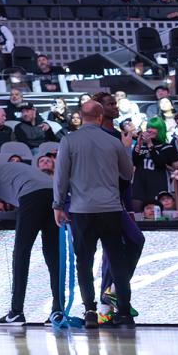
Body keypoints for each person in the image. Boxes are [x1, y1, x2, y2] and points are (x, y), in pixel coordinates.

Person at [54, 99, 136, 327]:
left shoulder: (69, 140)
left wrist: (58, 205)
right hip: (110, 208)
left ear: (81, 116)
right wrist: (125, 150)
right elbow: (127, 174)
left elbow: (60, 176)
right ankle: (125, 312)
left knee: (84, 262)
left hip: (81, 210)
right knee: (117, 260)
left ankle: (90, 310)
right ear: (100, 117)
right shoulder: (113, 142)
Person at [0, 149, 62, 326]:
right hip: (53, 195)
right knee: (53, 256)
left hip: (33, 196)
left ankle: (16, 311)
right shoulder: (13, 174)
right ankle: (58, 311)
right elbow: (23, 211)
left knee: (21, 253)